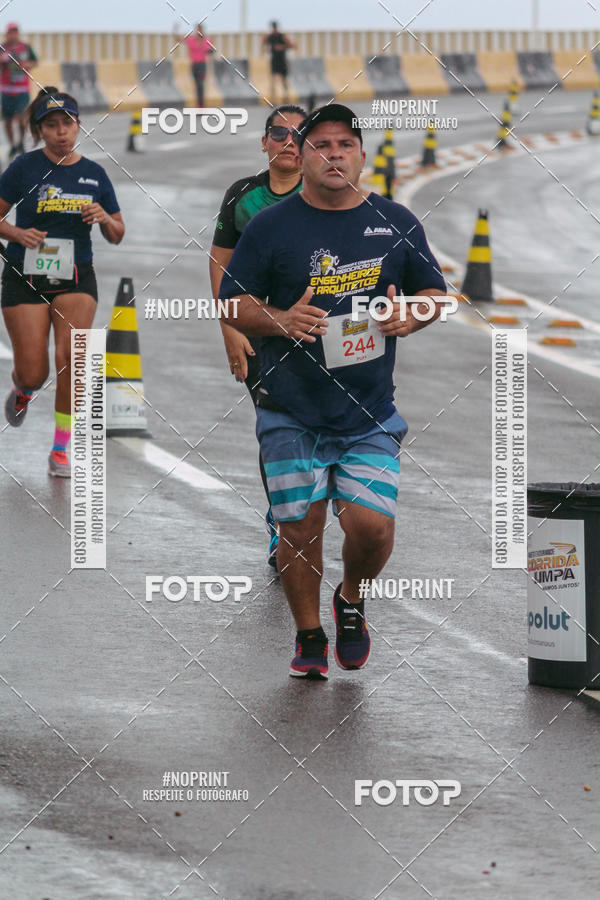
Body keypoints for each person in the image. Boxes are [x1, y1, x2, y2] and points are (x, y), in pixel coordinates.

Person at [219, 104, 447, 680]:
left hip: (367, 411)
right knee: (299, 529)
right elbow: (230, 303)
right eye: (321, 145)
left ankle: (350, 600)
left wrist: (410, 314)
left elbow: (437, 296)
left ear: (362, 155)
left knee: (372, 527)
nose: (334, 154)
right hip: (289, 408)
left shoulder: (395, 220)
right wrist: (279, 320)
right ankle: (309, 633)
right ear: (304, 156)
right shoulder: (271, 227)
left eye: (345, 144)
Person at [0, 87, 125, 477]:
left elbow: (118, 233)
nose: (61, 132)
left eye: (67, 124)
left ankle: (59, 449)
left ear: (78, 126)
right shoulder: (24, 168)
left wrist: (104, 217)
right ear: (39, 130)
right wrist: (18, 236)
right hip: (25, 276)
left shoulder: (94, 174)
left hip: (75, 278)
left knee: (73, 361)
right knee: (35, 372)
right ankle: (22, 389)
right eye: (51, 125)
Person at [209, 104, 306, 569]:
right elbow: (221, 264)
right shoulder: (243, 195)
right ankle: (282, 526)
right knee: (277, 432)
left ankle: (303, 513)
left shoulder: (325, 193)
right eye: (279, 133)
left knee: (319, 433)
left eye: (298, 134)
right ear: (264, 142)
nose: (289, 141)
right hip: (259, 336)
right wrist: (229, 329)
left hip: (320, 337)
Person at [0, 23, 37, 158]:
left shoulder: (26, 47)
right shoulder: (3, 47)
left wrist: (28, 64)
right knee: (7, 120)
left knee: (21, 119)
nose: (13, 35)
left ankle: (21, 142)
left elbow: (35, 61)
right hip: (6, 90)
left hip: (22, 90)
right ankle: (12, 145)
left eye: (15, 32)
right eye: (10, 32)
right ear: (7, 33)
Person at [182, 24, 215, 108]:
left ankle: (201, 105)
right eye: (197, 30)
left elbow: (211, 50)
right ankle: (199, 104)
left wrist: (210, 51)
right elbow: (180, 40)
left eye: (200, 30)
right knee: (197, 85)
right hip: (194, 65)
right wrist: (174, 30)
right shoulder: (192, 40)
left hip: (202, 65)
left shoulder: (206, 40)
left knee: (200, 84)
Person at [263, 21, 295, 104]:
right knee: (273, 80)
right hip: (274, 60)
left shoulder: (282, 36)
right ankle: (273, 100)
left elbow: (292, 45)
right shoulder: (270, 37)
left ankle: (286, 97)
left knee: (284, 80)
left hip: (282, 60)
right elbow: (264, 44)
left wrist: (281, 47)